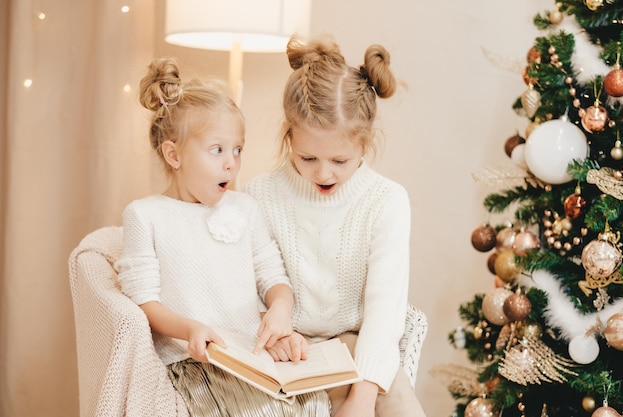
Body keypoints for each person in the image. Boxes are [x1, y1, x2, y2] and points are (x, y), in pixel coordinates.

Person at [114, 57, 330, 417]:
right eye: (217, 150)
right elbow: (144, 303)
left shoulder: (245, 208)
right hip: (196, 362)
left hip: (252, 355)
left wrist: (280, 309)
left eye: (238, 149)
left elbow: (273, 277)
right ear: (174, 154)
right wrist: (191, 329)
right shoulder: (145, 215)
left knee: (315, 403)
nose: (232, 162)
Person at [244, 36, 427, 417]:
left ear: (366, 144)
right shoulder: (261, 195)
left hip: (355, 342)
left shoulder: (385, 200)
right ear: (288, 136)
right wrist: (272, 326)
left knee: (399, 402)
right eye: (308, 157)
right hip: (289, 348)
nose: (323, 173)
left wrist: (361, 398)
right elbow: (249, 284)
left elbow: (384, 310)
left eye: (339, 161)